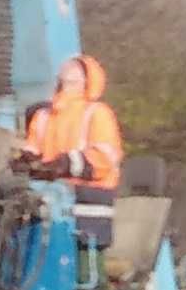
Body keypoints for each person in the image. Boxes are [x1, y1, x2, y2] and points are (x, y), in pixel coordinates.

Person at [21, 52, 124, 191]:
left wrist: (65, 164)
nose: (71, 70)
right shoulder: (42, 116)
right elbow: (32, 149)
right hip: (50, 194)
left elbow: (104, 160)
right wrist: (26, 161)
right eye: (70, 67)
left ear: (88, 80)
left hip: (89, 197)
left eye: (79, 69)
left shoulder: (98, 112)